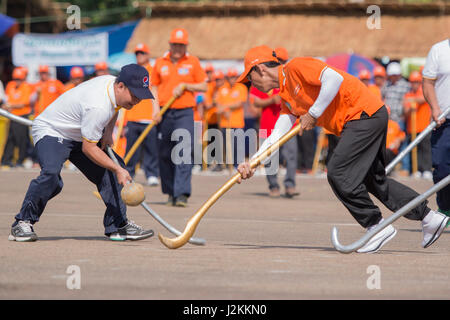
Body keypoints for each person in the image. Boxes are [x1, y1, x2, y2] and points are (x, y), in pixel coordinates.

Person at [236, 45, 448, 253]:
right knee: (374, 180)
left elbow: (333, 79)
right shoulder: (286, 95)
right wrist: (254, 162)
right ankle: (429, 218)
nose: (251, 85)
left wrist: (313, 113)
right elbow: (276, 134)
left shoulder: (296, 67)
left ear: (260, 69)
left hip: (364, 115)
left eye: (249, 78)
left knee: (338, 173)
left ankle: (375, 225)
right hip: (362, 120)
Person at [8, 64, 155, 242]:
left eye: (141, 96)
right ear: (121, 86)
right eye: (135, 95)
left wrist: (108, 132)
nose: (137, 100)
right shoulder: (97, 106)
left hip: (80, 132)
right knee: (51, 175)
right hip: (53, 131)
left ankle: (118, 225)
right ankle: (22, 222)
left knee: (112, 171)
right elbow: (89, 148)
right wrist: (117, 169)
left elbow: (116, 107)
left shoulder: (113, 85)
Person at [151, 28, 207, 207]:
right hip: (164, 112)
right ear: (170, 44)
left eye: (181, 45)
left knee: (183, 151)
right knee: (165, 153)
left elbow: (204, 86)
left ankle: (182, 193)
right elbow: (153, 87)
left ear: (186, 46)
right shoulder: (160, 62)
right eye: (175, 44)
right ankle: (170, 192)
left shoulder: (193, 62)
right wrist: (155, 110)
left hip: (184, 112)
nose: (178, 48)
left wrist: (185, 86)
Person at [251, 48, 298, 198]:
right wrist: (271, 100)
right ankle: (273, 186)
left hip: (290, 125)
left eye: (284, 62)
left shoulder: (291, 79)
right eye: (279, 61)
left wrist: (300, 123)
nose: (282, 64)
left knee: (291, 155)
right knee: (270, 157)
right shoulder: (262, 78)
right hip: (267, 125)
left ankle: (290, 185)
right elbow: (255, 102)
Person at [422, 38, 450, 225]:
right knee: (441, 168)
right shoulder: (438, 50)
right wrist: (434, 108)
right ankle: (446, 207)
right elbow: (428, 83)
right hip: (443, 120)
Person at [124, 43, 160, 186]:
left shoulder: (153, 71)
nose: (139, 55)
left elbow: (155, 91)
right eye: (137, 53)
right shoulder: (133, 71)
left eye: (142, 53)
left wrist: (156, 110)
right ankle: (129, 173)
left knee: (151, 148)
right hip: (133, 116)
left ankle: (151, 174)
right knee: (131, 148)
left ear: (148, 55)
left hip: (148, 117)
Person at [1, 67, 34, 168]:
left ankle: (21, 160)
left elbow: (24, 103)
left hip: (22, 116)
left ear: (23, 78)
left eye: (19, 79)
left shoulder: (26, 87)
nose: (17, 81)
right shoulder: (11, 85)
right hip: (12, 116)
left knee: (22, 139)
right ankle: (6, 160)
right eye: (16, 79)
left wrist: (10, 105)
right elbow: (6, 99)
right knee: (10, 138)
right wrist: (6, 106)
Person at [382, 62, 411, 174]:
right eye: (391, 75)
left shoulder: (405, 85)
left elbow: (407, 101)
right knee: (388, 143)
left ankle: (405, 167)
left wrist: (404, 116)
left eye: (395, 75)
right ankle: (389, 167)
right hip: (388, 119)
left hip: (399, 119)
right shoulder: (387, 85)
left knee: (402, 143)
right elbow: (383, 97)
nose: (393, 77)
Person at [403, 71, 432, 179]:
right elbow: (405, 110)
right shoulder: (408, 94)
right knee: (415, 150)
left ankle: (427, 169)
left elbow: (423, 99)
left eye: (417, 82)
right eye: (413, 82)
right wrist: (410, 106)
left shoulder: (423, 92)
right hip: (412, 128)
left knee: (426, 149)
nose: (415, 84)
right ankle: (417, 170)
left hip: (424, 126)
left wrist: (412, 100)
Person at [217, 68, 247, 169]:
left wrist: (226, 107)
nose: (231, 80)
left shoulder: (241, 88)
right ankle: (226, 164)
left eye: (234, 77)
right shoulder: (222, 89)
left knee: (238, 145)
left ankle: (237, 165)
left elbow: (239, 103)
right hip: (225, 122)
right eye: (230, 78)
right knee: (226, 145)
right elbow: (218, 105)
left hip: (237, 122)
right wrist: (226, 108)